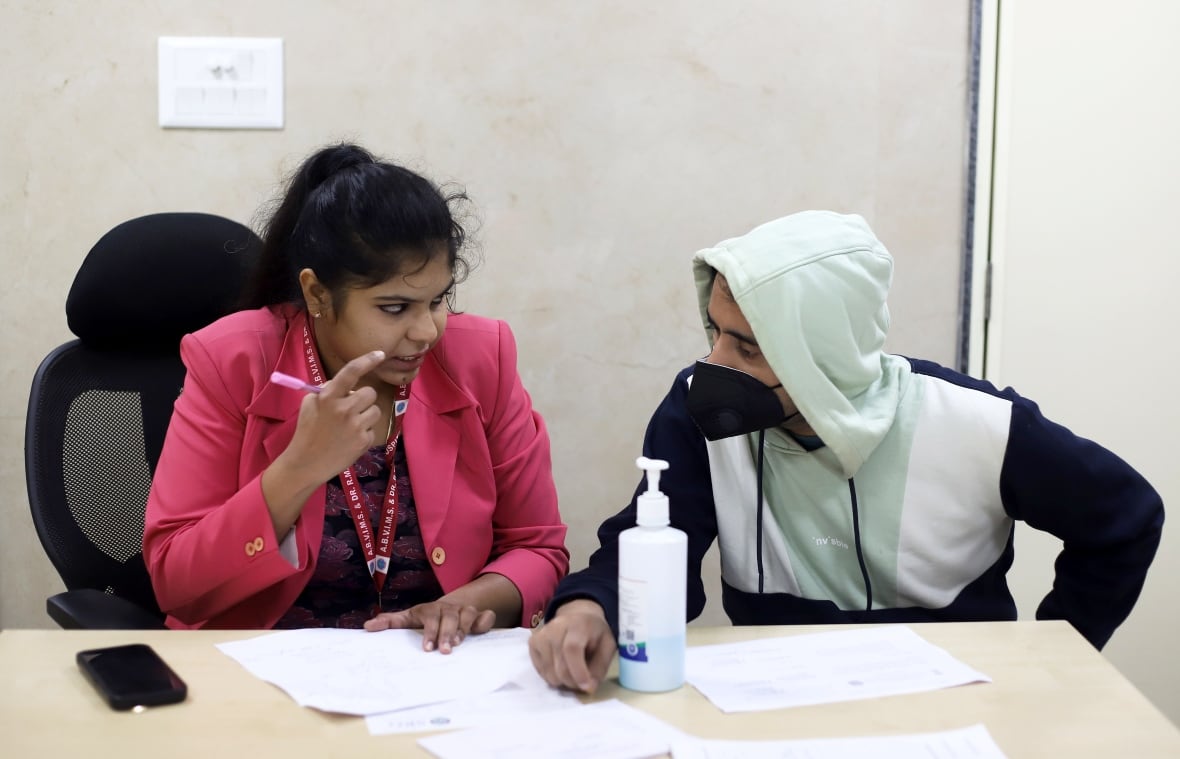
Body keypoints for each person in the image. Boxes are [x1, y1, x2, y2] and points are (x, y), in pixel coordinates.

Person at [529, 210, 1164, 692]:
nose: (714, 362)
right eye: (715, 332)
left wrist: (1050, 659)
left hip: (954, 705)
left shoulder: (976, 422)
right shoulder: (699, 412)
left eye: (746, 347)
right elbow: (651, 540)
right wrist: (591, 605)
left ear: (820, 358)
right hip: (776, 701)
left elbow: (1125, 517)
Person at [144, 142, 569, 651]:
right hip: (269, 668)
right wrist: (299, 468)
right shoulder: (232, 361)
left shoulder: (481, 357)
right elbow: (177, 583)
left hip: (434, 671)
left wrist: (468, 603)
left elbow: (537, 547)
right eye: (394, 308)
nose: (426, 332)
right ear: (318, 294)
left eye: (438, 301)